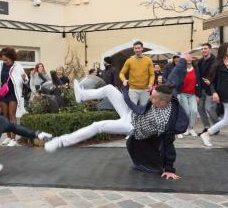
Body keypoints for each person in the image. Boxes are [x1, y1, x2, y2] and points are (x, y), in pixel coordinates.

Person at [44, 52, 191, 154]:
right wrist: (183, 60)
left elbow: (167, 143)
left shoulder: (166, 121)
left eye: (153, 98)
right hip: (133, 114)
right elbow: (174, 78)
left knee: (98, 126)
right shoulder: (167, 95)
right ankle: (82, 96)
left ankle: (61, 142)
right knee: (109, 89)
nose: (150, 100)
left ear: (162, 102)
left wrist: (169, 168)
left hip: (133, 125)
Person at [0, 47, 28, 147]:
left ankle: (13, 138)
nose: (4, 61)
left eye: (6, 59)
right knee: (5, 116)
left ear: (11, 58)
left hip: (13, 93)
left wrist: (24, 78)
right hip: (3, 93)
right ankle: (8, 137)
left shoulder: (18, 66)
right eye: (3, 59)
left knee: (12, 115)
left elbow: (25, 80)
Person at [119, 40, 155, 105]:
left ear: (142, 48)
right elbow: (121, 73)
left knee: (144, 110)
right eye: (135, 48)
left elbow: (152, 74)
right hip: (133, 89)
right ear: (133, 49)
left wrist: (150, 84)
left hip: (145, 90)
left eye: (139, 48)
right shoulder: (129, 60)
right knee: (132, 109)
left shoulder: (148, 60)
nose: (137, 50)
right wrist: (124, 80)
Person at [197, 43, 220, 135]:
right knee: (200, 108)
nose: (203, 50)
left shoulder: (215, 60)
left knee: (209, 108)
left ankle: (216, 126)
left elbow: (217, 75)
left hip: (211, 88)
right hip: (201, 88)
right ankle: (206, 127)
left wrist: (211, 82)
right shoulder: (200, 61)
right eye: (202, 49)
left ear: (210, 50)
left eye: (205, 48)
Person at [175, 58, 201, 138]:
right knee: (186, 112)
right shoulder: (181, 69)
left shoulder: (196, 69)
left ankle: (191, 128)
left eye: (190, 58)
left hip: (193, 94)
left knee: (194, 111)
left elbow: (198, 82)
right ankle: (185, 128)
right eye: (187, 58)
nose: (188, 59)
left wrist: (198, 95)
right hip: (183, 93)